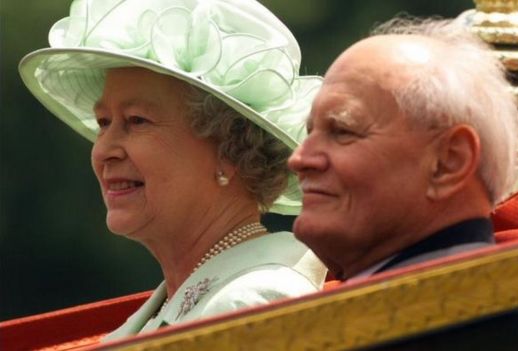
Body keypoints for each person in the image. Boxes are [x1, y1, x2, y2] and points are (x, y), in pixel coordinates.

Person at [19, 0, 326, 341]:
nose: (103, 150)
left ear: (230, 150)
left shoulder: (252, 304)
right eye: (104, 122)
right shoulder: (176, 307)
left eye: (136, 120)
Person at [288, 17, 518, 281]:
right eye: (310, 132)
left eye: (342, 131)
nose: (299, 159)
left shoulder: (480, 311)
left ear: (449, 161)